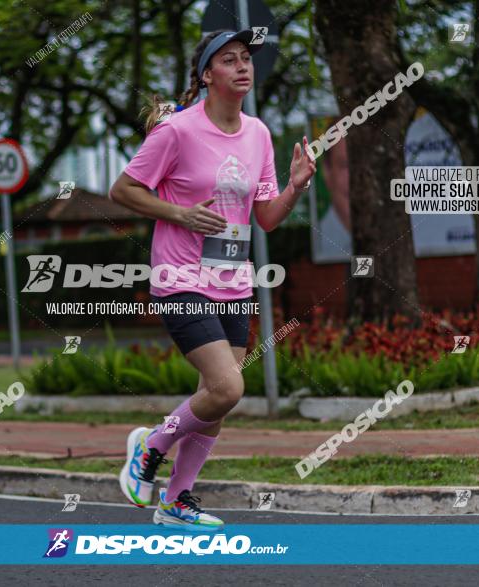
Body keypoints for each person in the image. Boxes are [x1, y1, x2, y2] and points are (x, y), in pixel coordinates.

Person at [109, 29, 316, 531]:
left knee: (213, 400)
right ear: (206, 74)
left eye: (247, 59)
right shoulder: (176, 131)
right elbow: (123, 191)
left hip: (234, 281)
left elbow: (265, 218)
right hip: (180, 277)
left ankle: (176, 501)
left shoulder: (259, 134)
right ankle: (150, 446)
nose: (243, 67)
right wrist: (179, 214)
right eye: (229, 60)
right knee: (227, 387)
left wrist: (294, 186)